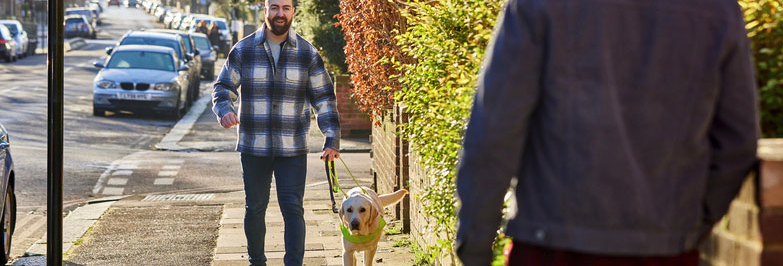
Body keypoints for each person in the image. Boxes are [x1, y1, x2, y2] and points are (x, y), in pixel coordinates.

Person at [455, 0, 759, 265]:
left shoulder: (539, 5)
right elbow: (737, 142)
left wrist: (476, 246)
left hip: (551, 246)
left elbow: (494, 132)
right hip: (664, 250)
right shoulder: (718, 9)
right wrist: (690, 224)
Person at [211, 0, 341, 265]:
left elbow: (324, 98)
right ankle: (256, 261)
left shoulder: (307, 53)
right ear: (265, 11)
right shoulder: (243, 50)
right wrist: (224, 109)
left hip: (292, 147)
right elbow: (223, 87)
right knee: (255, 208)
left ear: (293, 11)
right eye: (274, 7)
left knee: (293, 209)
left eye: (286, 8)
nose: (280, 13)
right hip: (253, 146)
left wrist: (331, 138)